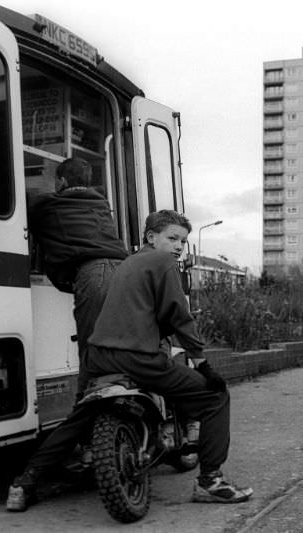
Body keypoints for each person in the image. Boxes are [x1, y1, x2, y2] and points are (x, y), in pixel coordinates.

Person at [85, 209, 252, 504]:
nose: (178, 246)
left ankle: (27, 480)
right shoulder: (163, 262)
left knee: (79, 415)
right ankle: (210, 480)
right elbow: (180, 316)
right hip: (138, 357)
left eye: (183, 242)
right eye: (173, 238)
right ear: (151, 236)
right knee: (215, 397)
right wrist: (201, 360)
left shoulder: (128, 263)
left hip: (99, 356)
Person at [6, 157, 127, 512]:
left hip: (96, 276)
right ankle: (106, 441)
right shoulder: (101, 205)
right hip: (124, 272)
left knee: (92, 376)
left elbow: (18, 216)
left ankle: (33, 476)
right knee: (127, 359)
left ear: (60, 180)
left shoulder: (49, 204)